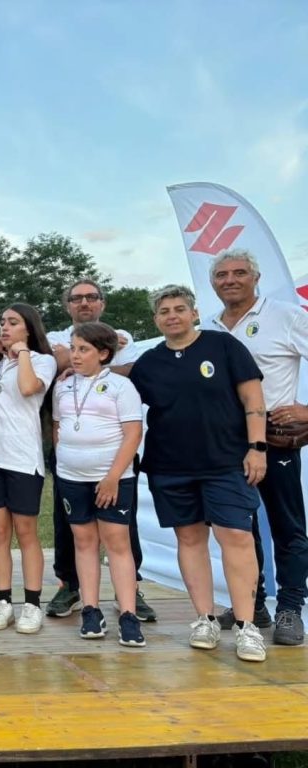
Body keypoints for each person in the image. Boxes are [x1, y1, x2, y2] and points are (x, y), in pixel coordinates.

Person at [130, 284, 268, 662]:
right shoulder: (148, 363)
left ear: (193, 313)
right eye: (164, 311)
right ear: (156, 320)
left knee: (236, 537)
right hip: (170, 467)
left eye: (179, 309)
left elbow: (253, 398)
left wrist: (257, 447)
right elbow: (119, 400)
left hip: (226, 463)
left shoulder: (223, 346)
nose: (172, 316)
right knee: (189, 539)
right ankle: (204, 619)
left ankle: (246, 626)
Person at [209, 249, 308, 646]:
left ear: (256, 277)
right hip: (223, 440)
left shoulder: (286, 316)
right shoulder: (208, 325)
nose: (230, 280)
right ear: (213, 283)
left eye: (239, 272)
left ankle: (290, 608)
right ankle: (253, 603)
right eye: (222, 275)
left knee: (286, 526)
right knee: (239, 528)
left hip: (274, 436)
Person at [45, 278, 155, 623]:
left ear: (102, 303)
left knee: (122, 527)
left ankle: (130, 591)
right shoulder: (55, 336)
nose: (84, 303)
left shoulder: (125, 338)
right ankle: (70, 585)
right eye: (76, 298)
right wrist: (78, 360)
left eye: (92, 297)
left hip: (114, 452)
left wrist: (93, 368)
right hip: (70, 454)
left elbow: (133, 371)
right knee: (69, 525)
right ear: (67, 305)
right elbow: (54, 364)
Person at [52, 323, 145, 647]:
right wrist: (65, 464)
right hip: (71, 477)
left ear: (103, 353)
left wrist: (112, 477)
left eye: (83, 350)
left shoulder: (122, 386)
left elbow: (133, 434)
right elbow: (58, 427)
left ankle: (129, 614)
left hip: (112, 477)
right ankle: (91, 610)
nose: (75, 356)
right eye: (73, 349)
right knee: (83, 541)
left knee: (117, 542)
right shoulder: (63, 385)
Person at [0, 304, 56, 634]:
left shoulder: (42, 360)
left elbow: (27, 387)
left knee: (26, 532)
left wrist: (22, 351)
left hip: (23, 458)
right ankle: (4, 602)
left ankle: (32, 604)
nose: (5, 327)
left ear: (29, 328)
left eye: (13, 322)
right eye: (2, 322)